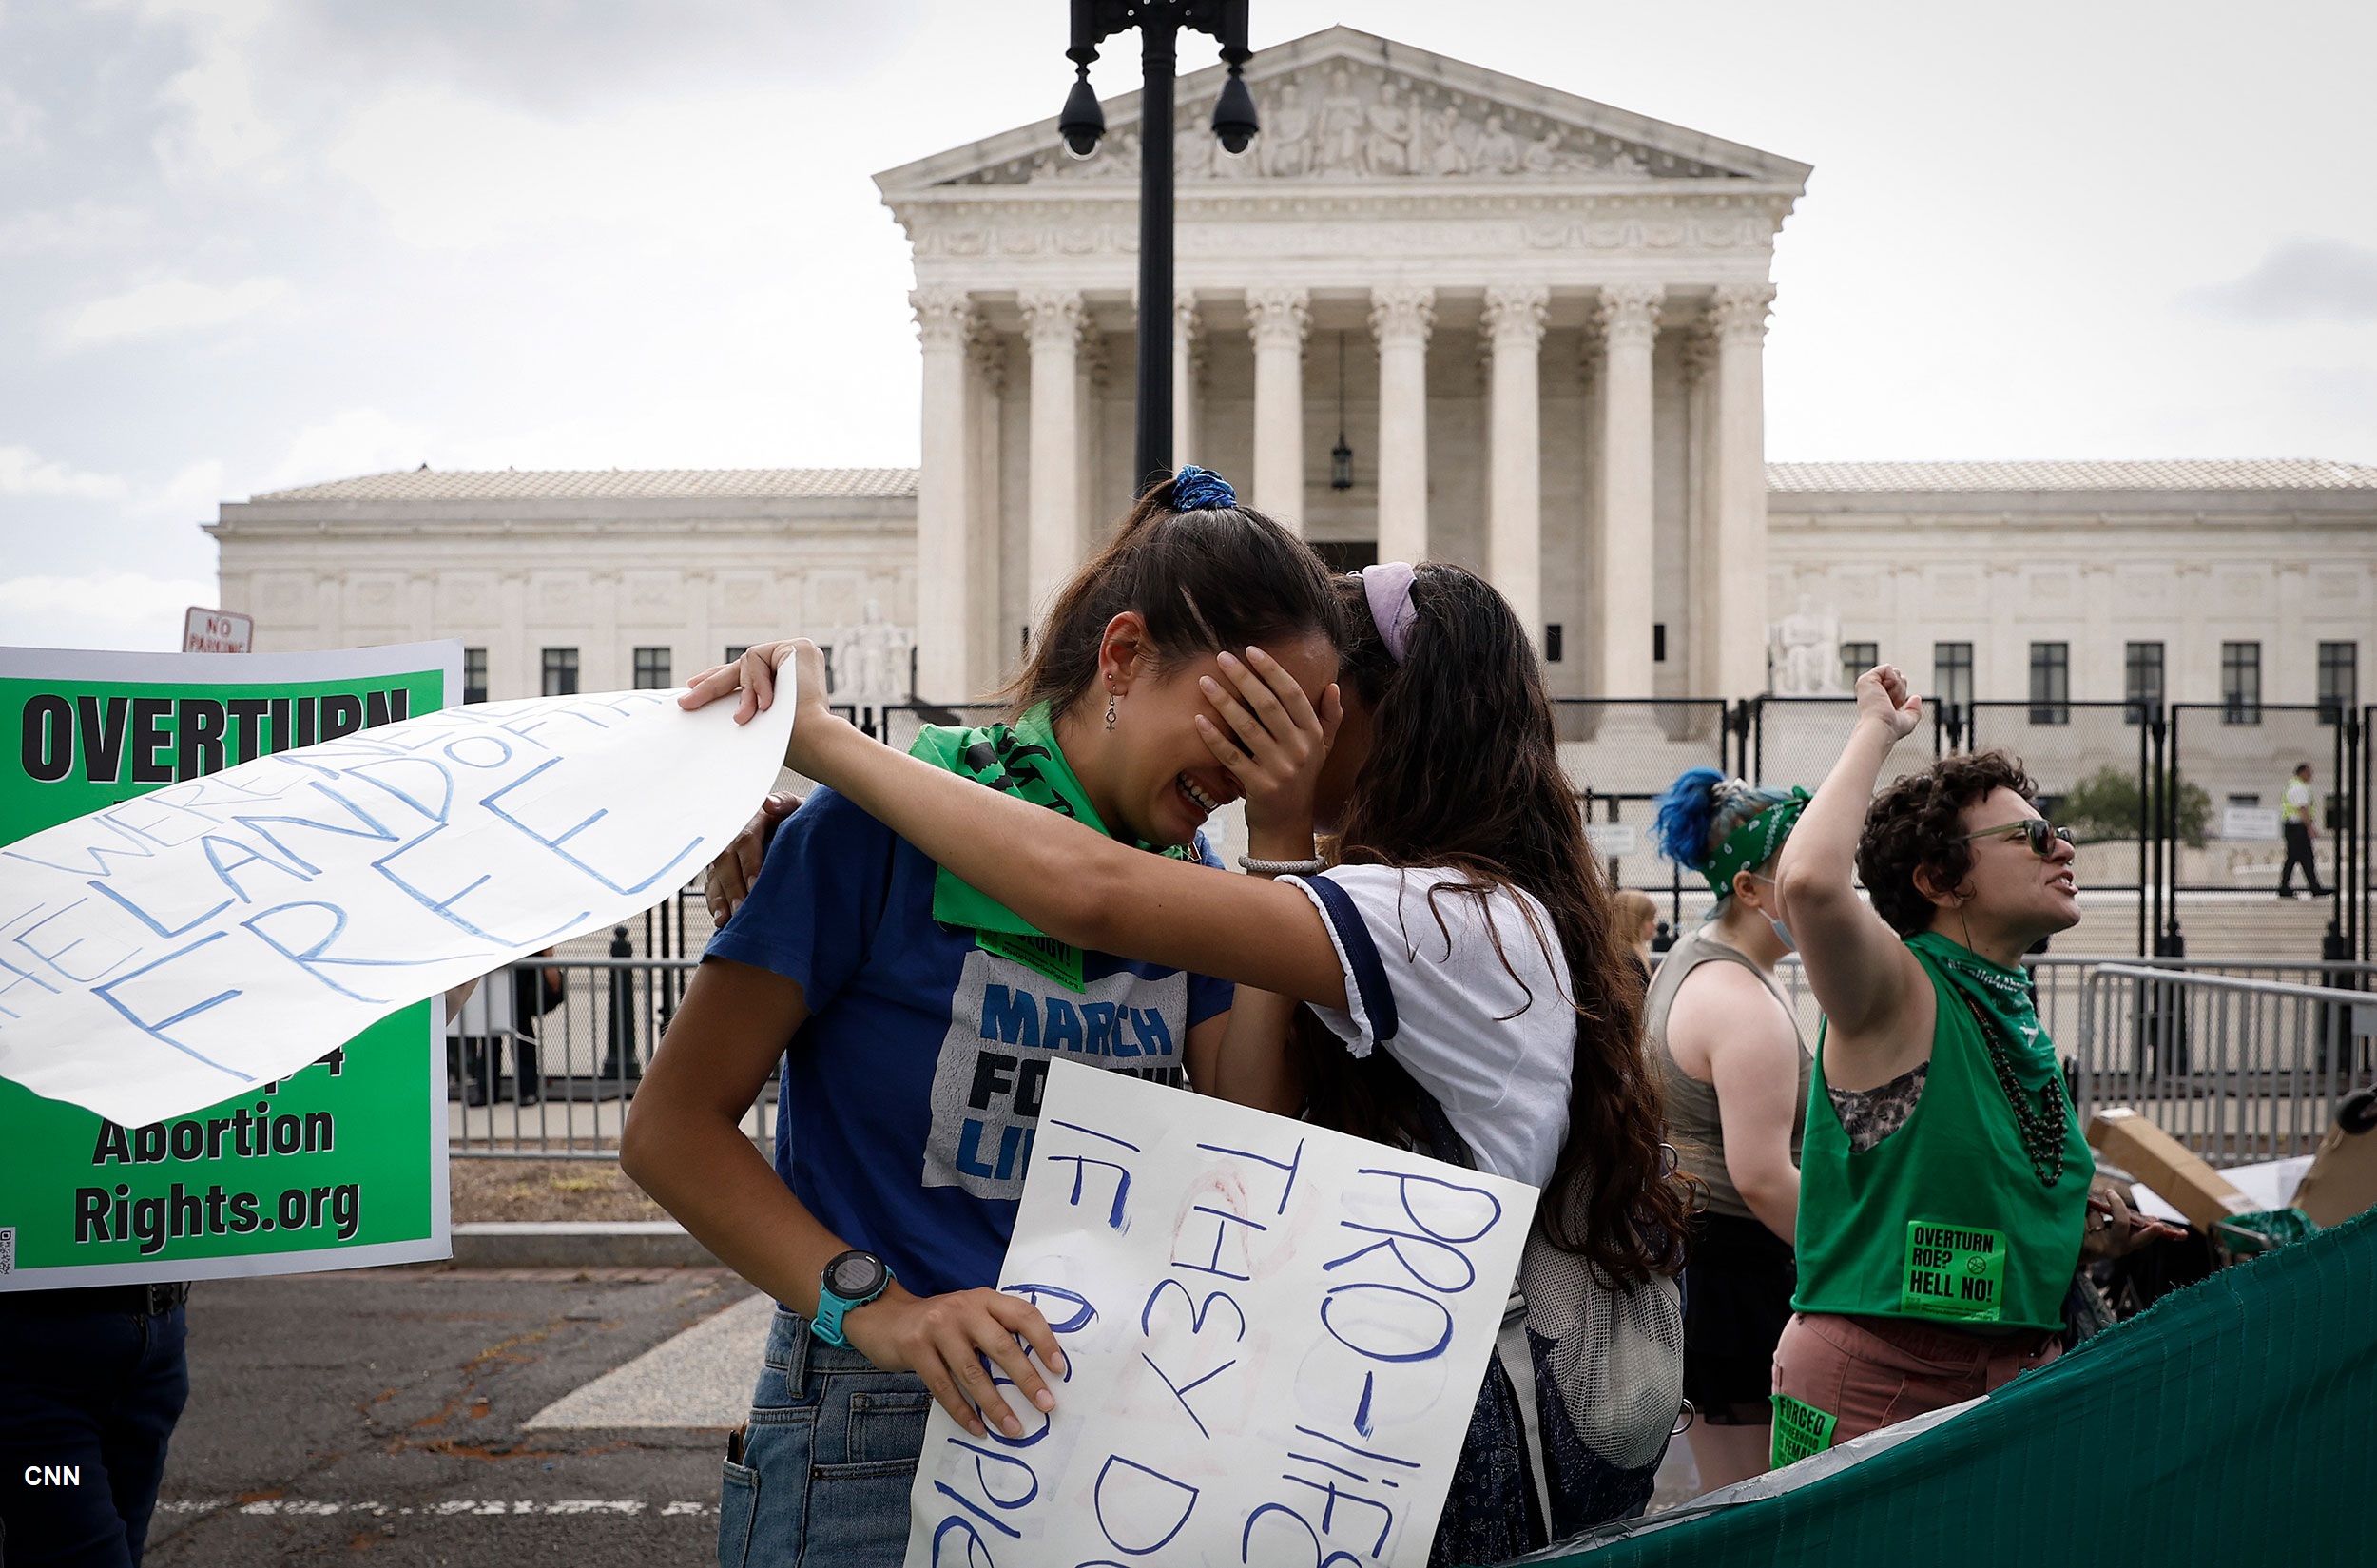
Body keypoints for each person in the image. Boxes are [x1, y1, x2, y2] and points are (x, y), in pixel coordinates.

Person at [705, 551, 1693, 1560]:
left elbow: (1091, 894)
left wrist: (829, 748)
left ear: (1379, 718)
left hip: (1392, 1444)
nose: (1270, 735)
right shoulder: (1349, 900)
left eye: (1304, 702)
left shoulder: (1443, 913)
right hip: (1250, 1432)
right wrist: (831, 823)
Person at [619, 468, 1343, 1567]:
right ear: (1121, 656)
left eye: (1287, 739)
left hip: (1103, 1414)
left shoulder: (1187, 872)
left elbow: (1252, 1113)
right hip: (879, 1417)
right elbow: (669, 1127)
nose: (1248, 771)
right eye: (1242, 720)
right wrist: (883, 1310)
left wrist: (1283, 837)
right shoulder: (865, 831)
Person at [1768, 666, 2172, 1456]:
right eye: (2034, 835)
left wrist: (2079, 1233)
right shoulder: (1902, 988)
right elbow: (1811, 883)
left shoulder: (2006, 1001)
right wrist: (1876, 731)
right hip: (1886, 1386)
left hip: (2016, 1378)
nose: (2065, 846)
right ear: (1940, 880)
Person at [1644, 770, 1812, 1492]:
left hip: (1711, 1271)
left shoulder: (1696, 958)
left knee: (1736, 1506)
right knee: (1760, 1514)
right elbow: (1764, 1177)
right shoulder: (1740, 999)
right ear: (1749, 888)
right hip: (1740, 1281)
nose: (1829, 881)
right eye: (1804, 871)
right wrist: (1868, 1261)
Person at [2279, 762, 2325, 898]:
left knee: (2300, 858)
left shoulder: (2293, 785)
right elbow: (2302, 809)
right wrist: (2310, 828)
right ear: (2302, 773)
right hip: (2297, 827)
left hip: (2293, 827)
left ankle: (2312, 887)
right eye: (2309, 773)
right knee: (2300, 857)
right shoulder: (2299, 787)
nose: (2311, 776)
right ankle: (2286, 887)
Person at [1613, 888, 1659, 986]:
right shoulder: (1628, 960)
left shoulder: (1619, 954)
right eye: (1650, 919)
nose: (1655, 925)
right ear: (1634, 921)